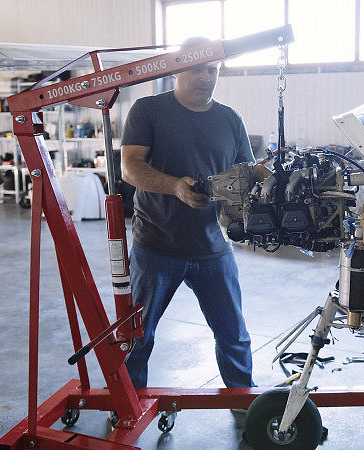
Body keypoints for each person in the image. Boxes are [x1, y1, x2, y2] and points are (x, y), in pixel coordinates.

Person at [120, 37, 255, 395]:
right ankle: (128, 406)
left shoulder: (229, 118)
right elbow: (130, 168)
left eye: (211, 69)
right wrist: (175, 187)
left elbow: (249, 171)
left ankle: (244, 401)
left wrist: (281, 176)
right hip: (156, 245)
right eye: (196, 68)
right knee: (137, 336)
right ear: (179, 68)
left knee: (234, 334)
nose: (205, 77)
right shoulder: (148, 110)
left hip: (213, 245)